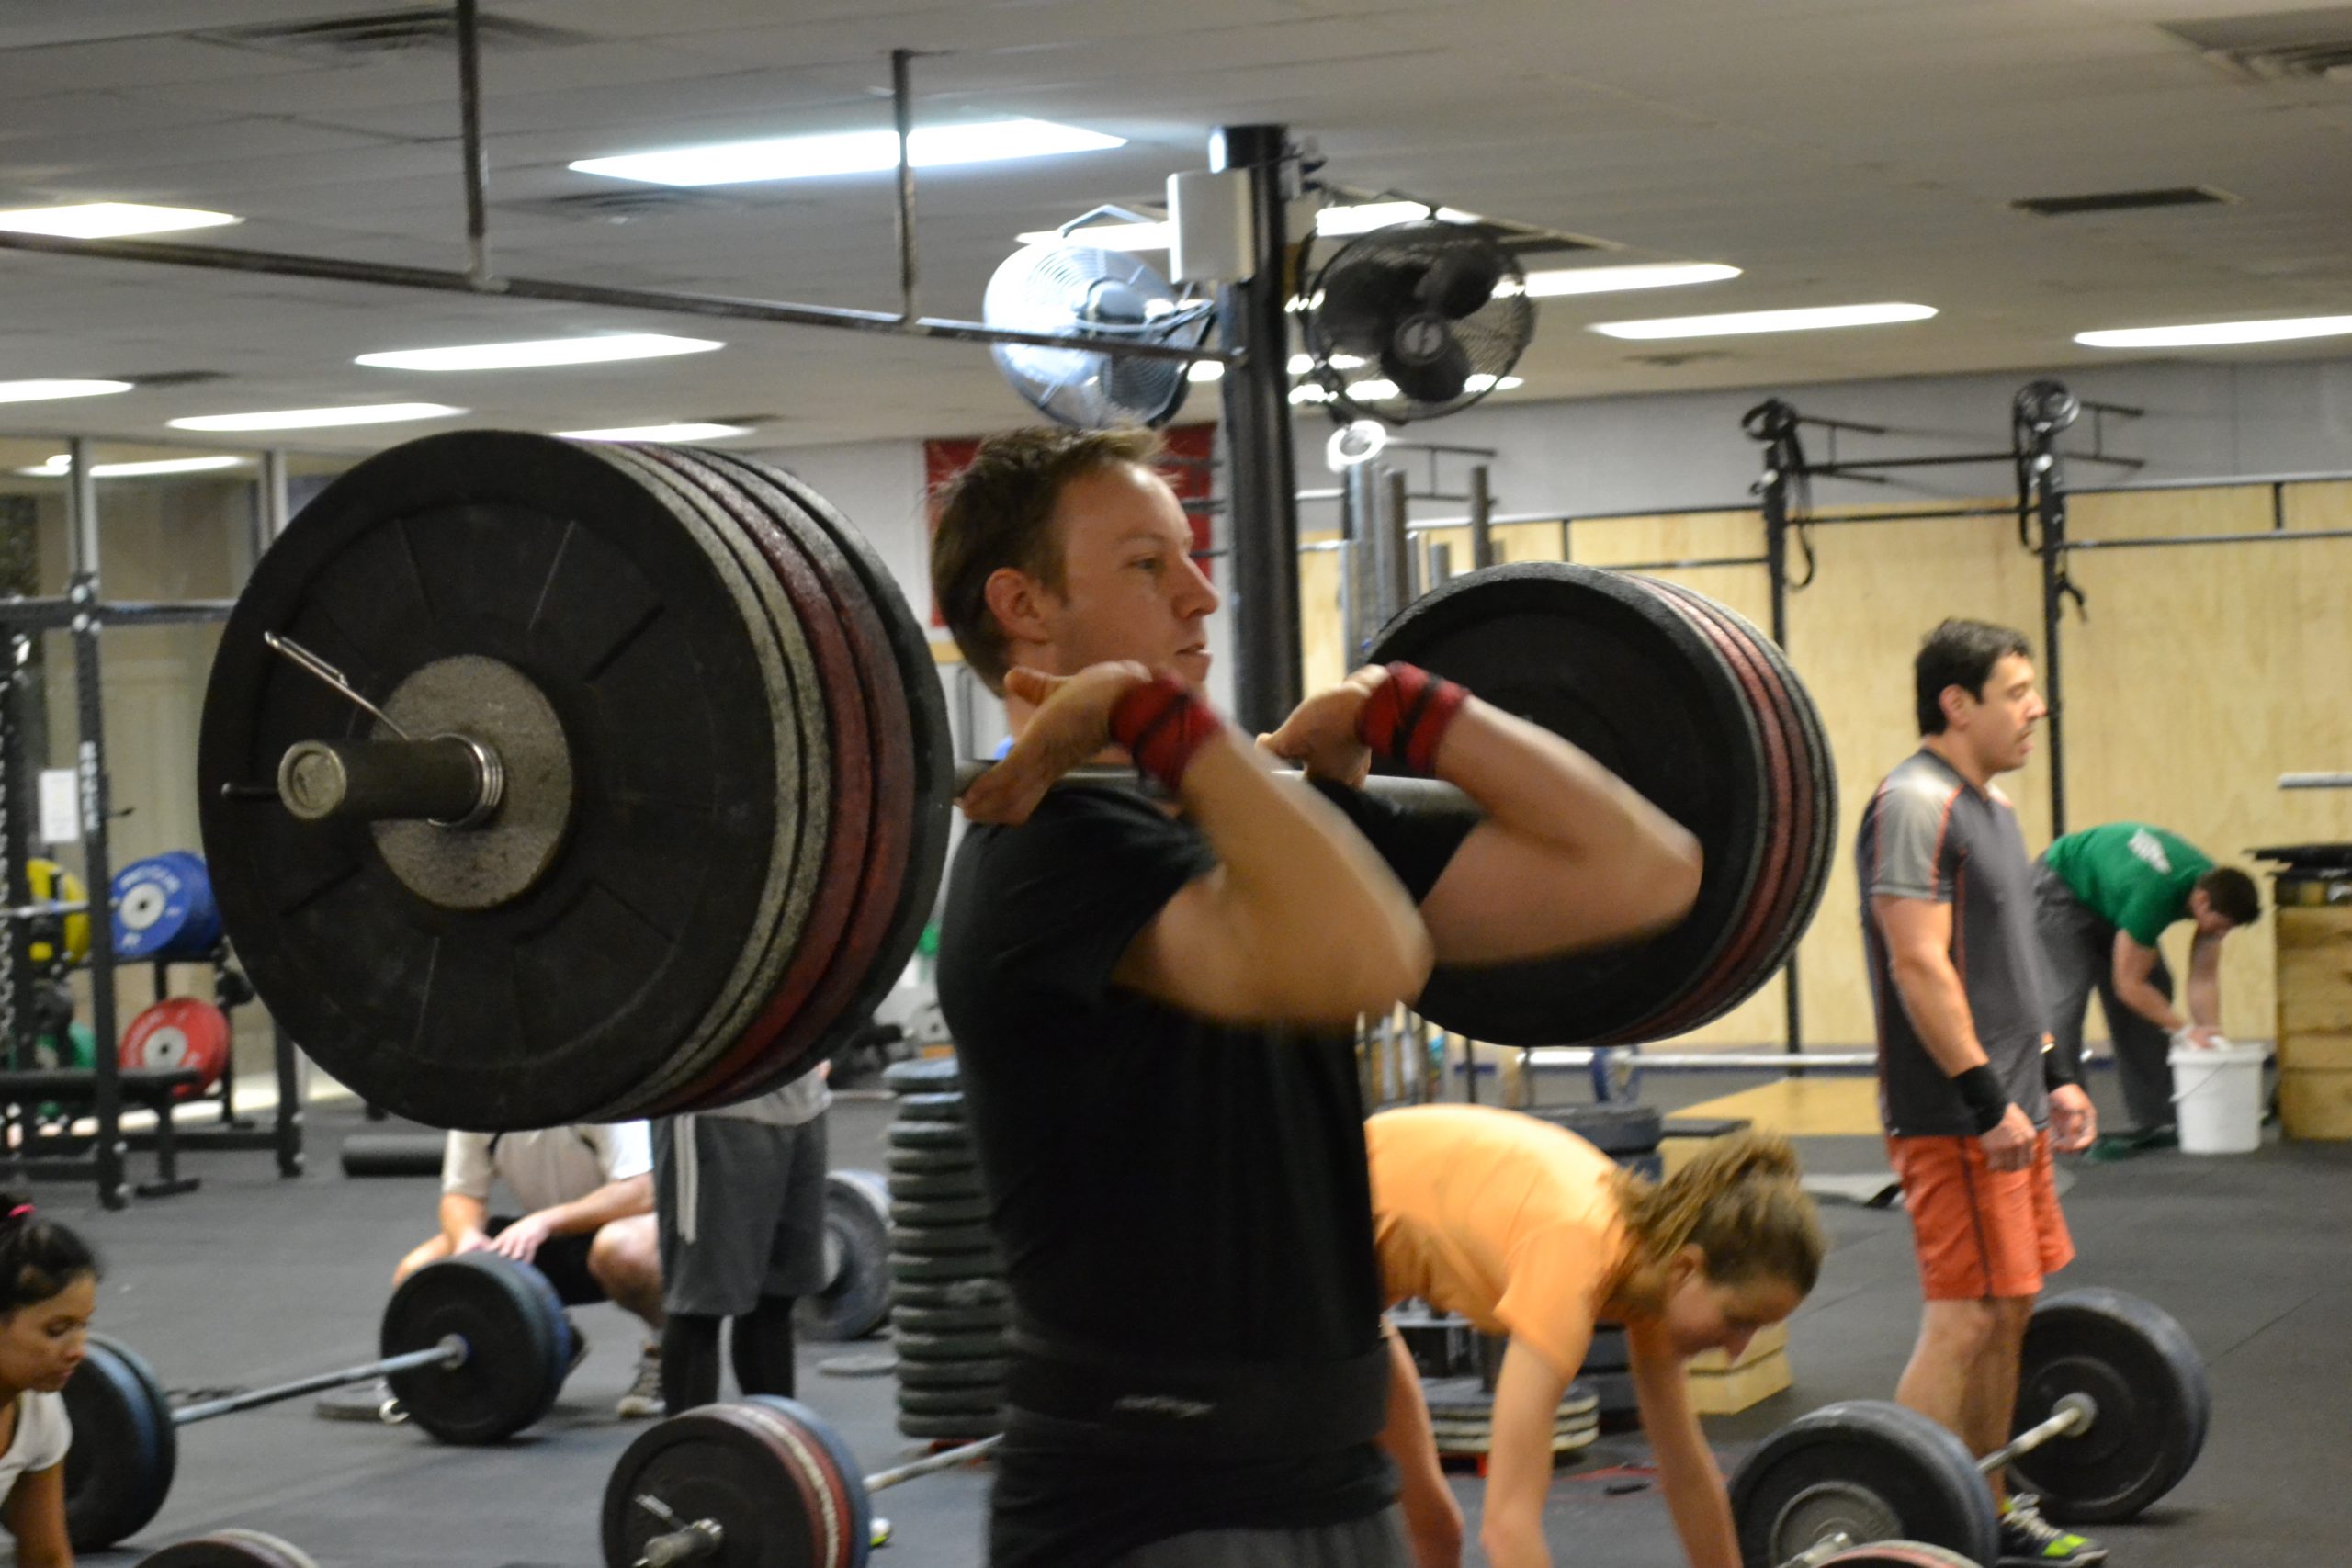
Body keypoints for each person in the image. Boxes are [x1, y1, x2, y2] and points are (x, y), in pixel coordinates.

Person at [931, 425, 1702, 1568]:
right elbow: (1370, 959)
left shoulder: (1248, 823)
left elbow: (1643, 871)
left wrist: (1413, 712)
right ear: (1023, 607)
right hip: (1155, 1507)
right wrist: (1172, 733)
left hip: (1329, 1476)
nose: (1200, 595)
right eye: (1147, 564)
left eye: (1192, 557)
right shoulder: (1049, 850)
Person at [1857, 618, 2104, 1568]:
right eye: (2016, 692)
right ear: (1956, 704)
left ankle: (1988, 1505)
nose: (2037, 708)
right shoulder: (1912, 803)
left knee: (2010, 1309)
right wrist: (1980, 1097)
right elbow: (1919, 965)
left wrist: (2054, 1075)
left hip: (2012, 1102)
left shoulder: (1993, 806)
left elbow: (2005, 969)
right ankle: (1911, 1526)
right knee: (1962, 1317)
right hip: (1956, 1112)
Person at [1366, 1105, 1823, 1568]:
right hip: (1323, 1228)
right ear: (1687, 1267)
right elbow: (1507, 1526)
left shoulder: (1650, 1268)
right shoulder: (1574, 1257)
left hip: (1356, 1292)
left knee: (1433, 1534)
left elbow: (1687, 1473)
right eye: (1738, 1320)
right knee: (1403, 1529)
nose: (1737, 1350)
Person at [394, 1123, 664, 1418]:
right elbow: (461, 1194)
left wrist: (545, 1221)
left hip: (627, 1226)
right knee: (418, 1271)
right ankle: (550, 1339)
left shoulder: (599, 1102)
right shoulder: (479, 1108)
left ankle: (667, 1349)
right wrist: (466, 1236)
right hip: (545, 1234)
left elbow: (641, 1191)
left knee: (625, 1250)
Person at [2033, 823, 2262, 1159]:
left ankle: (2158, 1120)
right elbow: (2128, 986)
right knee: (2064, 1005)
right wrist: (2185, 1030)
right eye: (2221, 925)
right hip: (2062, 885)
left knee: (2156, 990)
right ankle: (2067, 1127)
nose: (2222, 933)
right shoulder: (2155, 896)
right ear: (2201, 901)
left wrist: (2209, 1033)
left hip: (2113, 894)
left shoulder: (2215, 888)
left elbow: (2203, 977)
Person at [652, 1069, 831, 1416]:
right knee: (700, 1304)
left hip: (803, 1103)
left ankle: (770, 1440)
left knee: (777, 1297)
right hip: (714, 1108)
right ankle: (688, 1447)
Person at [0, 1198, 92, 1568]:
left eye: (83, 1325)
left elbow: (47, 1558)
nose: (78, 1350)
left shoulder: (38, 1411)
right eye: (57, 1330)